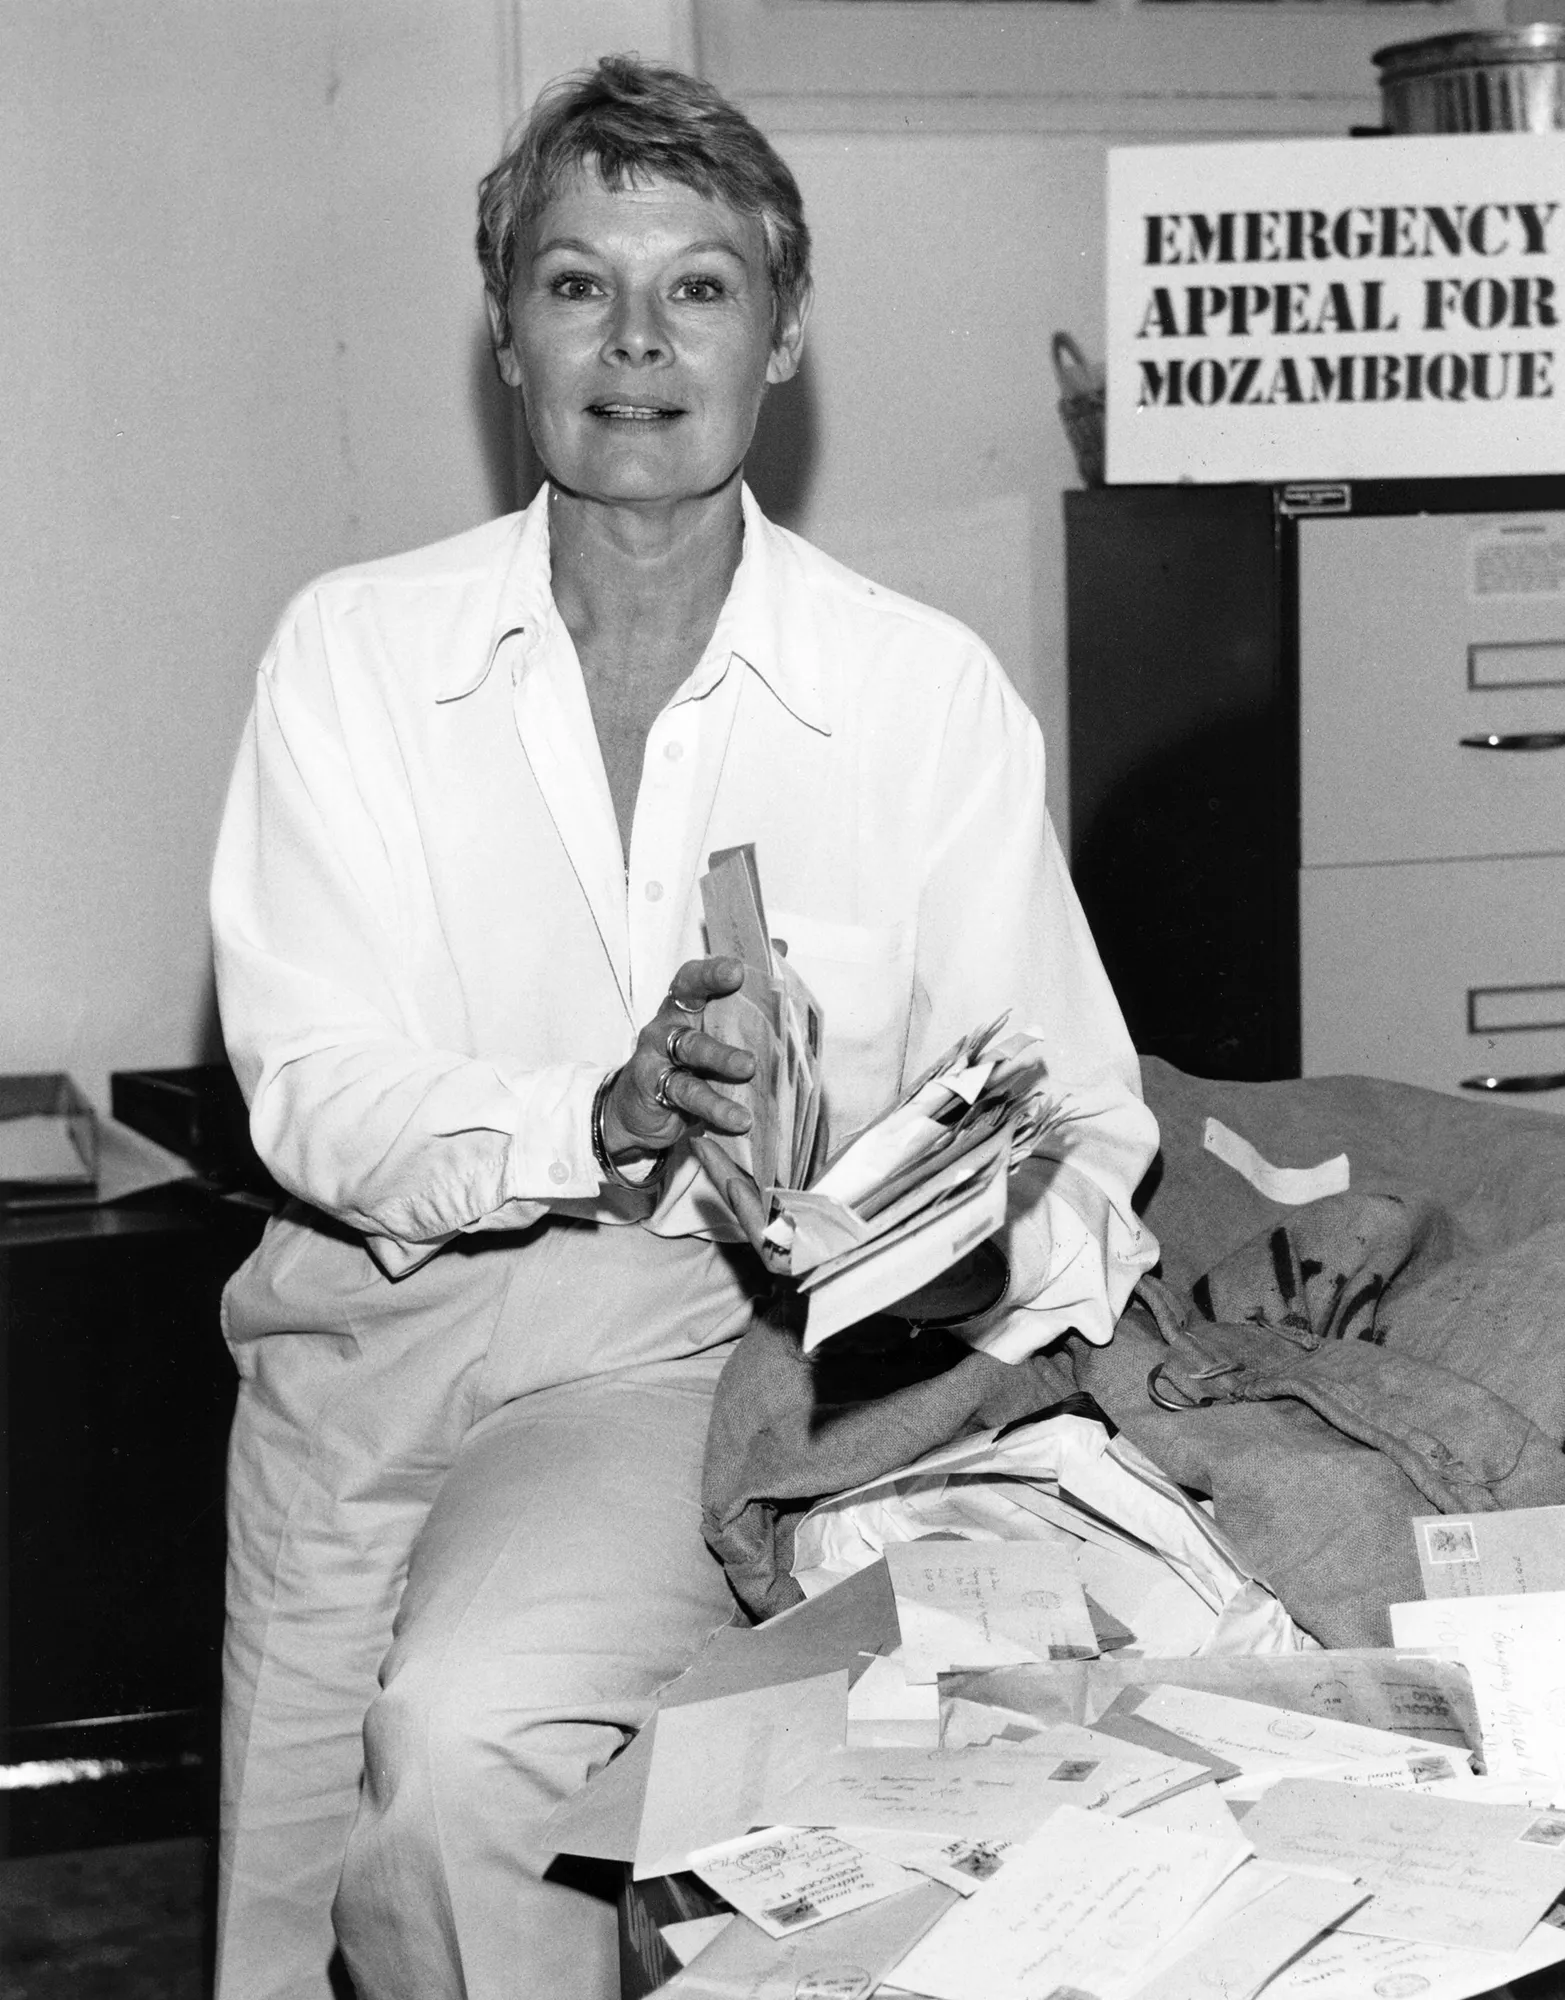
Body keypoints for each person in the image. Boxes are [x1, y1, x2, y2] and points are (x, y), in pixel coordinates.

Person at [208, 52, 1159, 2000]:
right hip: (353, 1336)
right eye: (577, 283)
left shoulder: (913, 696)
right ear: (504, 330)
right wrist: (604, 1106)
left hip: (666, 1347)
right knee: (285, 1919)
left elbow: (1077, 1128)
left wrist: (924, 1251)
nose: (635, 343)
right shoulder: (355, 656)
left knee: (465, 1756)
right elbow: (309, 1088)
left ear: (780, 334)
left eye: (698, 287)